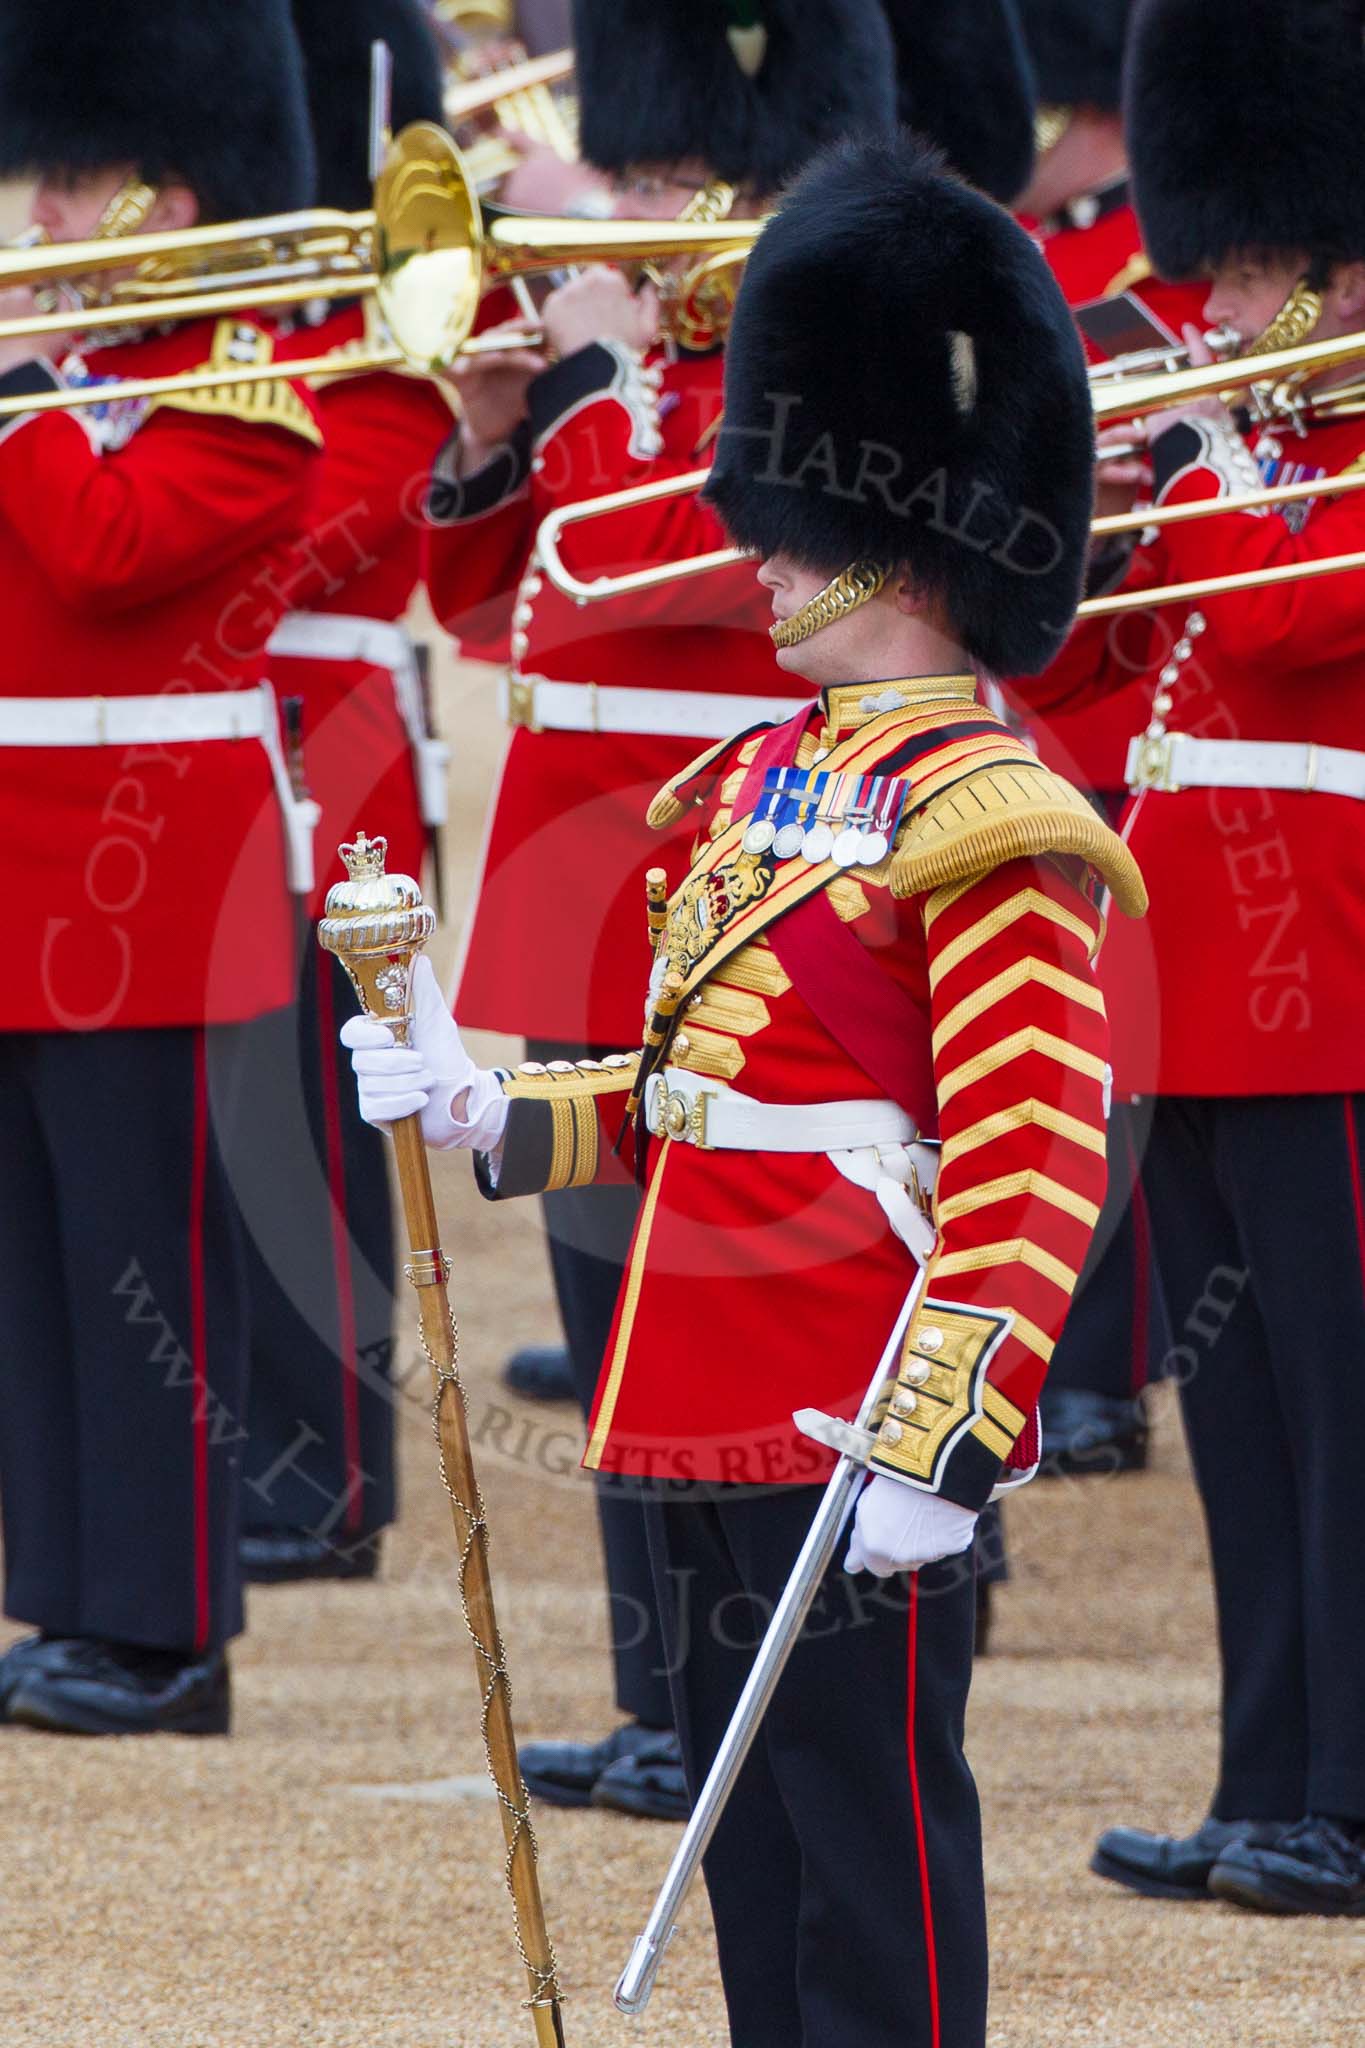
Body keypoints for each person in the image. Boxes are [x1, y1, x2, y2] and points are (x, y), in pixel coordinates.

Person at [344, 128, 1146, 2045]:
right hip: (696, 1390)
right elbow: (681, 1092)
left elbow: (1029, 1164)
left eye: (791, 517)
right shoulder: (749, 786)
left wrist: (941, 1445)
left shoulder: (991, 817)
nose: (761, 546)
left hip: (849, 1393)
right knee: (755, 1852)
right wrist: (476, 1102)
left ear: (898, 534)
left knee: (869, 1860)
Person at [424, 0, 899, 1822]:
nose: (630, 210)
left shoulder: (806, 382)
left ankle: (728, 1690)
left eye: (669, 177)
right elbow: (499, 612)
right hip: (585, 904)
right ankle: (657, 1701)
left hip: (731, 905)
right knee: (615, 1325)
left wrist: (594, 385)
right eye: (629, 172)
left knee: (714, 1327)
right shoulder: (637, 382)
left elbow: (628, 566)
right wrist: (487, 434)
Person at [1022, 0, 1365, 1914]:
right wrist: (1091, 526)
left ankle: (1358, 1793)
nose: (1213, 304)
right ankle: (1269, 1781)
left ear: (1337, 263)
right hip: (1201, 979)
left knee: (1342, 1404)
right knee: (1242, 1420)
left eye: (1247, 272)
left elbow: (1307, 619)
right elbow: (1077, 674)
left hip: (1334, 977)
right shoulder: (1239, 441)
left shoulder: (1304, 449)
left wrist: (1206, 455)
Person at [0, 0, 322, 1734]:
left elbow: (106, 550)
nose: (41, 214)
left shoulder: (246, 392)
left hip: (146, 879)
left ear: (173, 197)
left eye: (76, 182)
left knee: (144, 1266)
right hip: (14, 873)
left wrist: (28, 390)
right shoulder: (67, 379)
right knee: (34, 1262)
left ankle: (169, 1630)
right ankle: (61, 1594)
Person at [231, 0, 458, 1587]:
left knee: (316, 1113)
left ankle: (323, 1467)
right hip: (227, 740)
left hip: (335, 749)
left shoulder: (393, 344)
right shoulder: (235, 342)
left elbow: (296, 545)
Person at [1009, 0, 1205, 1476]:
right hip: (1044, 695)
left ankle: (1102, 1362)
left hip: (1173, 744)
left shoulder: (1144, 278)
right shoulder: (1021, 260)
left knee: (1115, 1053)